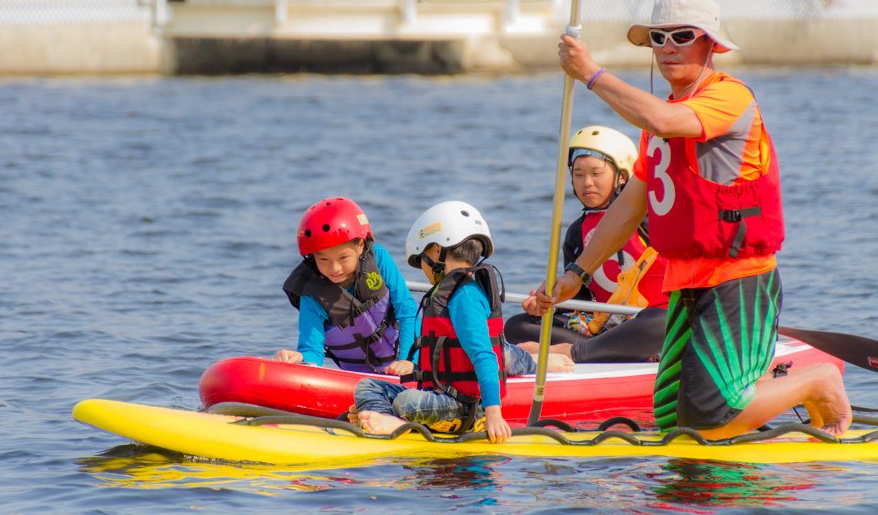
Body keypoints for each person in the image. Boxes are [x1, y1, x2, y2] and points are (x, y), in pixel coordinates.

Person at [539, 0, 851, 439]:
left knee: (706, 415)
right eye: (659, 37)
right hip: (687, 281)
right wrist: (575, 272)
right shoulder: (658, 118)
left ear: (711, 44)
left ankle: (817, 381)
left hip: (738, 276)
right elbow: (630, 205)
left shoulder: (729, 98)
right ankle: (756, 394)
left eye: (682, 36)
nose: (668, 47)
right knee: (671, 416)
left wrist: (590, 73)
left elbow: (666, 122)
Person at [350, 201, 512, 443]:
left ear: (437, 250)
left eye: (422, 259)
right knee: (368, 387)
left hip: (466, 408)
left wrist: (494, 414)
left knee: (407, 402)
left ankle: (395, 424)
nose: (423, 268)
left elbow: (484, 356)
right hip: (437, 397)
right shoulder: (451, 293)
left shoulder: (465, 297)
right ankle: (380, 418)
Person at [505, 125, 669, 363]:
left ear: (622, 176)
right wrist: (545, 304)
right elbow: (580, 303)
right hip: (606, 326)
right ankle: (608, 350)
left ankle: (583, 352)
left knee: (663, 322)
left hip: (648, 321)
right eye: (579, 174)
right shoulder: (575, 233)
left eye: (596, 173)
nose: (587, 183)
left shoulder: (648, 218)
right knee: (518, 325)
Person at [277, 196, 418, 376]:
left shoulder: (380, 259)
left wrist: (408, 360)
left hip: (406, 360)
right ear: (312, 257)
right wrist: (298, 358)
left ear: (360, 245)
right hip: (357, 377)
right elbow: (312, 352)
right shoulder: (311, 293)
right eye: (323, 259)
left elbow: (407, 310)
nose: (334, 268)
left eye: (343, 258)